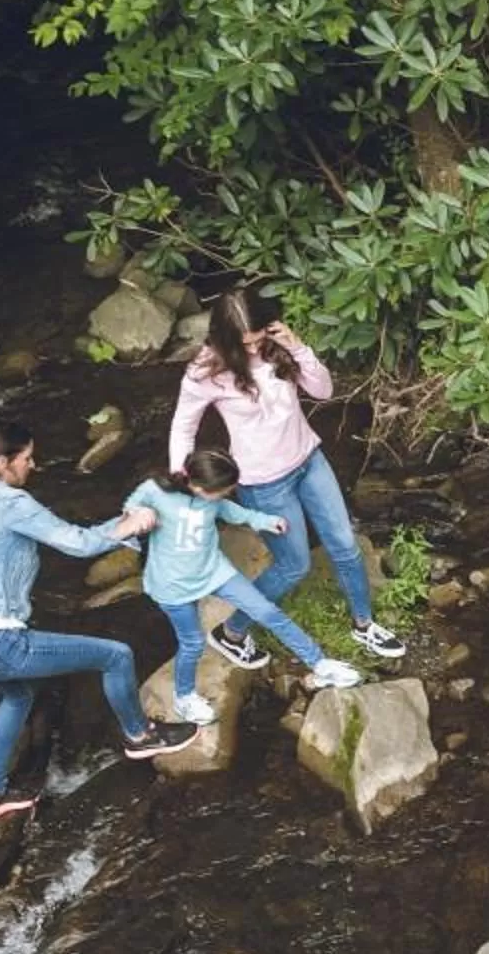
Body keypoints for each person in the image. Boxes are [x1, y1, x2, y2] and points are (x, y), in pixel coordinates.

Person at [0, 417, 202, 823]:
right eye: (27, 458)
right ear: (2, 463)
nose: (33, 466)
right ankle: (141, 736)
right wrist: (128, 525)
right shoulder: (10, 503)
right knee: (116, 656)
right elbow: (79, 543)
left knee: (18, 696)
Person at [166, 287, 405, 675]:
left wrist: (298, 348)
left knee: (345, 545)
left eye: (258, 338)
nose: (254, 349)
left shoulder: (280, 347)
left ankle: (364, 625)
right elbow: (183, 427)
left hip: (309, 460)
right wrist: (183, 481)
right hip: (263, 484)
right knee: (294, 566)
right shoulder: (205, 371)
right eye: (245, 344)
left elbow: (324, 391)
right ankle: (231, 632)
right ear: (225, 338)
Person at [126, 449, 364, 720]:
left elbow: (234, 512)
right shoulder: (157, 495)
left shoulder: (213, 501)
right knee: (192, 643)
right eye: (226, 488)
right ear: (201, 486)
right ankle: (184, 698)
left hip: (213, 571)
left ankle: (321, 664)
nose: (230, 492)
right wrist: (137, 515)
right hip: (173, 585)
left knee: (267, 611)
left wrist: (267, 521)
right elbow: (131, 509)